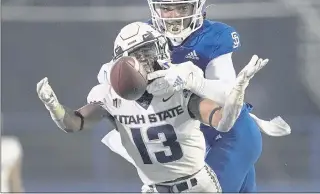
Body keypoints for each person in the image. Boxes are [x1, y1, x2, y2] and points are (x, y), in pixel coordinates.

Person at [36, 22, 269, 193]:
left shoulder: (177, 86)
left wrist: (236, 92)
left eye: (152, 51)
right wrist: (53, 106)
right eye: (144, 55)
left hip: (199, 186)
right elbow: (74, 122)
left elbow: (224, 122)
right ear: (126, 62)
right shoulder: (109, 96)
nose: (153, 59)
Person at [144, 0, 291, 192]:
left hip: (230, 135)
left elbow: (225, 95)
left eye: (182, 8)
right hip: (191, 141)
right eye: (166, 8)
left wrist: (191, 79)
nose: (173, 16)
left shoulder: (214, 37)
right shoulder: (143, 38)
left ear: (199, 6)